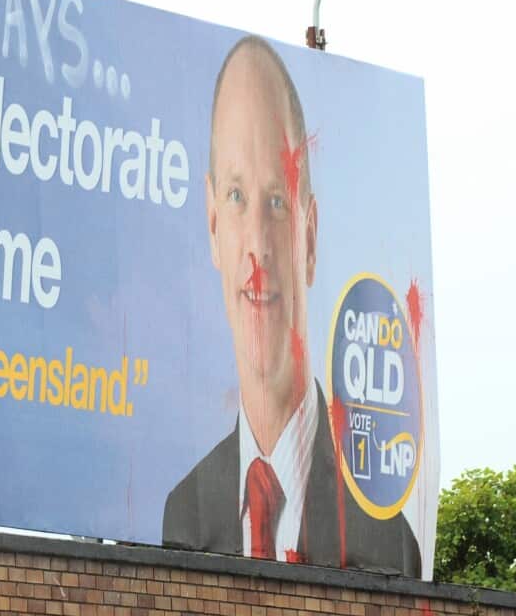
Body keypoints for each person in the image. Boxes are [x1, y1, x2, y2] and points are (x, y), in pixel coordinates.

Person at [161, 36, 420, 576]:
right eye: (237, 198)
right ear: (212, 225)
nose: (257, 246)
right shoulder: (181, 514)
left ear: (309, 235)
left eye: (277, 201)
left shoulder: (384, 534)